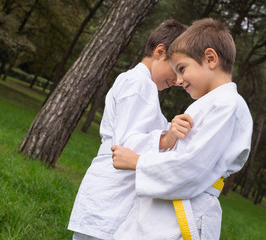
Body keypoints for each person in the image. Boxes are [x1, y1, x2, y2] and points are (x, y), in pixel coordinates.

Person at [111, 18, 253, 240]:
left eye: (182, 69)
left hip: (186, 214)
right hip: (166, 209)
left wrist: (137, 162)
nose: (178, 80)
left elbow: (193, 166)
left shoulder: (228, 105)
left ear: (210, 59)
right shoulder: (210, 103)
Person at [68, 19, 192, 240]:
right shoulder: (138, 84)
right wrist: (167, 139)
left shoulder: (144, 87)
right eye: (178, 69)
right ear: (160, 52)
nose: (178, 80)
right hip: (111, 195)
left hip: (116, 194)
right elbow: (125, 146)